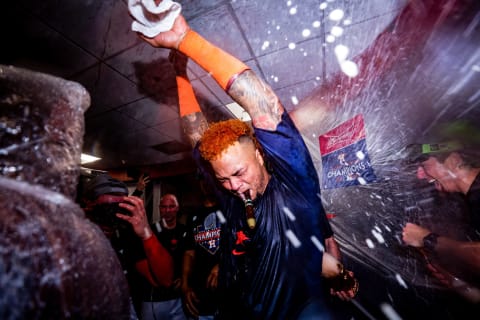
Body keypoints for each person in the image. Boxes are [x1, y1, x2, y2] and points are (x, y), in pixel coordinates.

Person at [135, 11, 358, 319]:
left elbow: (262, 105)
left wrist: (187, 41)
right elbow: (197, 135)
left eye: (238, 173)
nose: (233, 186)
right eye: (223, 179)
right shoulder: (230, 193)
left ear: (258, 153)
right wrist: (180, 74)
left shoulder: (295, 183)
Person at [83, 173, 174, 317]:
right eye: (106, 210)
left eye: (117, 211)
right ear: (88, 206)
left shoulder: (124, 235)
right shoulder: (70, 238)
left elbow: (165, 280)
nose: (111, 218)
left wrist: (146, 233)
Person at [401, 143, 480, 300]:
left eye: (424, 165)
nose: (420, 175)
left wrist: (427, 239)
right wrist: (454, 281)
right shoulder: (472, 200)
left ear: (452, 159)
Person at [137, 193, 188, 320]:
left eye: (171, 207)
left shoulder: (185, 231)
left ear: (177, 208)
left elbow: (190, 258)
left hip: (178, 298)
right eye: (164, 207)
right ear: (159, 209)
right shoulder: (150, 232)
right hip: (154, 299)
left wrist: (184, 278)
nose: (167, 211)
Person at [181, 173, 222, 319]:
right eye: (202, 180)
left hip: (226, 291)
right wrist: (185, 285)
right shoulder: (194, 216)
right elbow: (189, 253)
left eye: (209, 179)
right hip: (201, 293)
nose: (205, 183)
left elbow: (241, 244)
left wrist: (221, 264)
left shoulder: (228, 209)